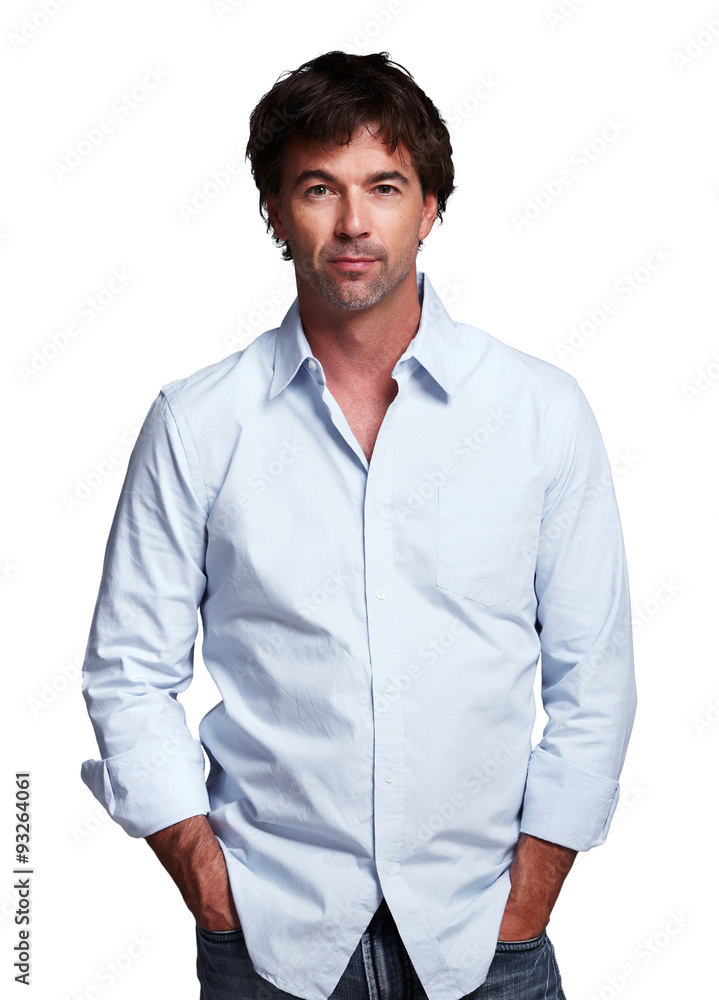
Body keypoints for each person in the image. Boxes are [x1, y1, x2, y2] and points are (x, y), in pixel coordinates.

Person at [80, 50, 637, 1000]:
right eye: (317, 188)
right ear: (273, 212)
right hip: (270, 944)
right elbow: (129, 673)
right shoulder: (198, 423)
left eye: (384, 186)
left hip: (484, 944)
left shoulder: (539, 412)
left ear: (429, 208)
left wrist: (526, 903)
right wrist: (211, 888)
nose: (351, 222)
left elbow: (596, 676)